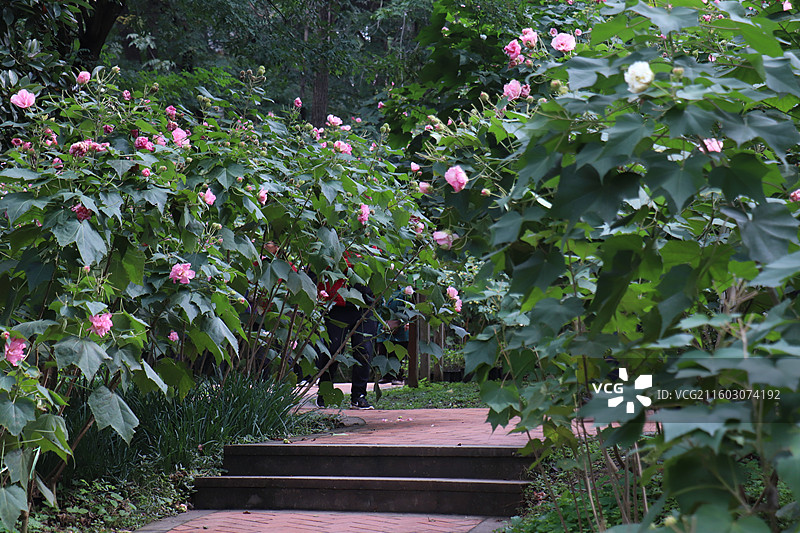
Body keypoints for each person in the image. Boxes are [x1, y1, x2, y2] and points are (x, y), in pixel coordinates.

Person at [316, 254, 377, 410]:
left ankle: (359, 396)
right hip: (337, 304)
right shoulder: (337, 246)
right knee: (333, 349)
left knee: (364, 350)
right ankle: (325, 393)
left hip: (365, 304)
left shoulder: (372, 248)